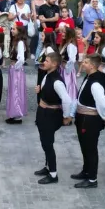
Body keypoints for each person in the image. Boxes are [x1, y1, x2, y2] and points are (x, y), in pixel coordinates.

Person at [70, 54, 105, 189]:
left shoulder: (96, 83)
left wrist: (104, 118)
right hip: (83, 117)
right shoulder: (89, 77)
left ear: (92, 66)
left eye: (86, 62)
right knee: (84, 146)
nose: (83, 63)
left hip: (90, 119)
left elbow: (103, 104)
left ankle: (92, 179)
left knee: (90, 148)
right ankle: (86, 171)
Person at [33, 49, 73, 185]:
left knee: (48, 144)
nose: (44, 62)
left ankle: (53, 174)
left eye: (47, 61)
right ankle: (48, 166)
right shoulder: (47, 75)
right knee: (44, 142)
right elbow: (45, 88)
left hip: (50, 115)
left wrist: (67, 117)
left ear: (55, 64)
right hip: (42, 113)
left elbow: (67, 100)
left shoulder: (57, 81)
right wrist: (40, 91)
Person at [7, 23, 28, 123]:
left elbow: (21, 59)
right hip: (14, 68)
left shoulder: (20, 43)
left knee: (16, 91)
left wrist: (15, 68)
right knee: (14, 90)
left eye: (14, 29)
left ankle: (17, 114)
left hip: (16, 69)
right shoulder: (16, 41)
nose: (12, 30)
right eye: (11, 29)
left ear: (19, 30)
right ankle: (14, 112)